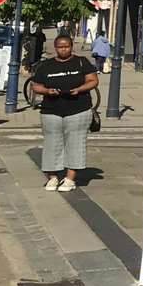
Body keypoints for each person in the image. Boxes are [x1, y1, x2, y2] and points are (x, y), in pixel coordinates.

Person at [30, 35, 99, 192]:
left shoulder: (81, 62)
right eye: (60, 47)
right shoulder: (46, 65)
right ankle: (52, 177)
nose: (64, 49)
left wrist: (79, 89)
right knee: (51, 143)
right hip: (51, 110)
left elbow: (93, 80)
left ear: (71, 46)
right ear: (55, 48)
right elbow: (36, 86)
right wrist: (48, 91)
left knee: (75, 142)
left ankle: (69, 179)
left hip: (78, 109)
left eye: (67, 46)